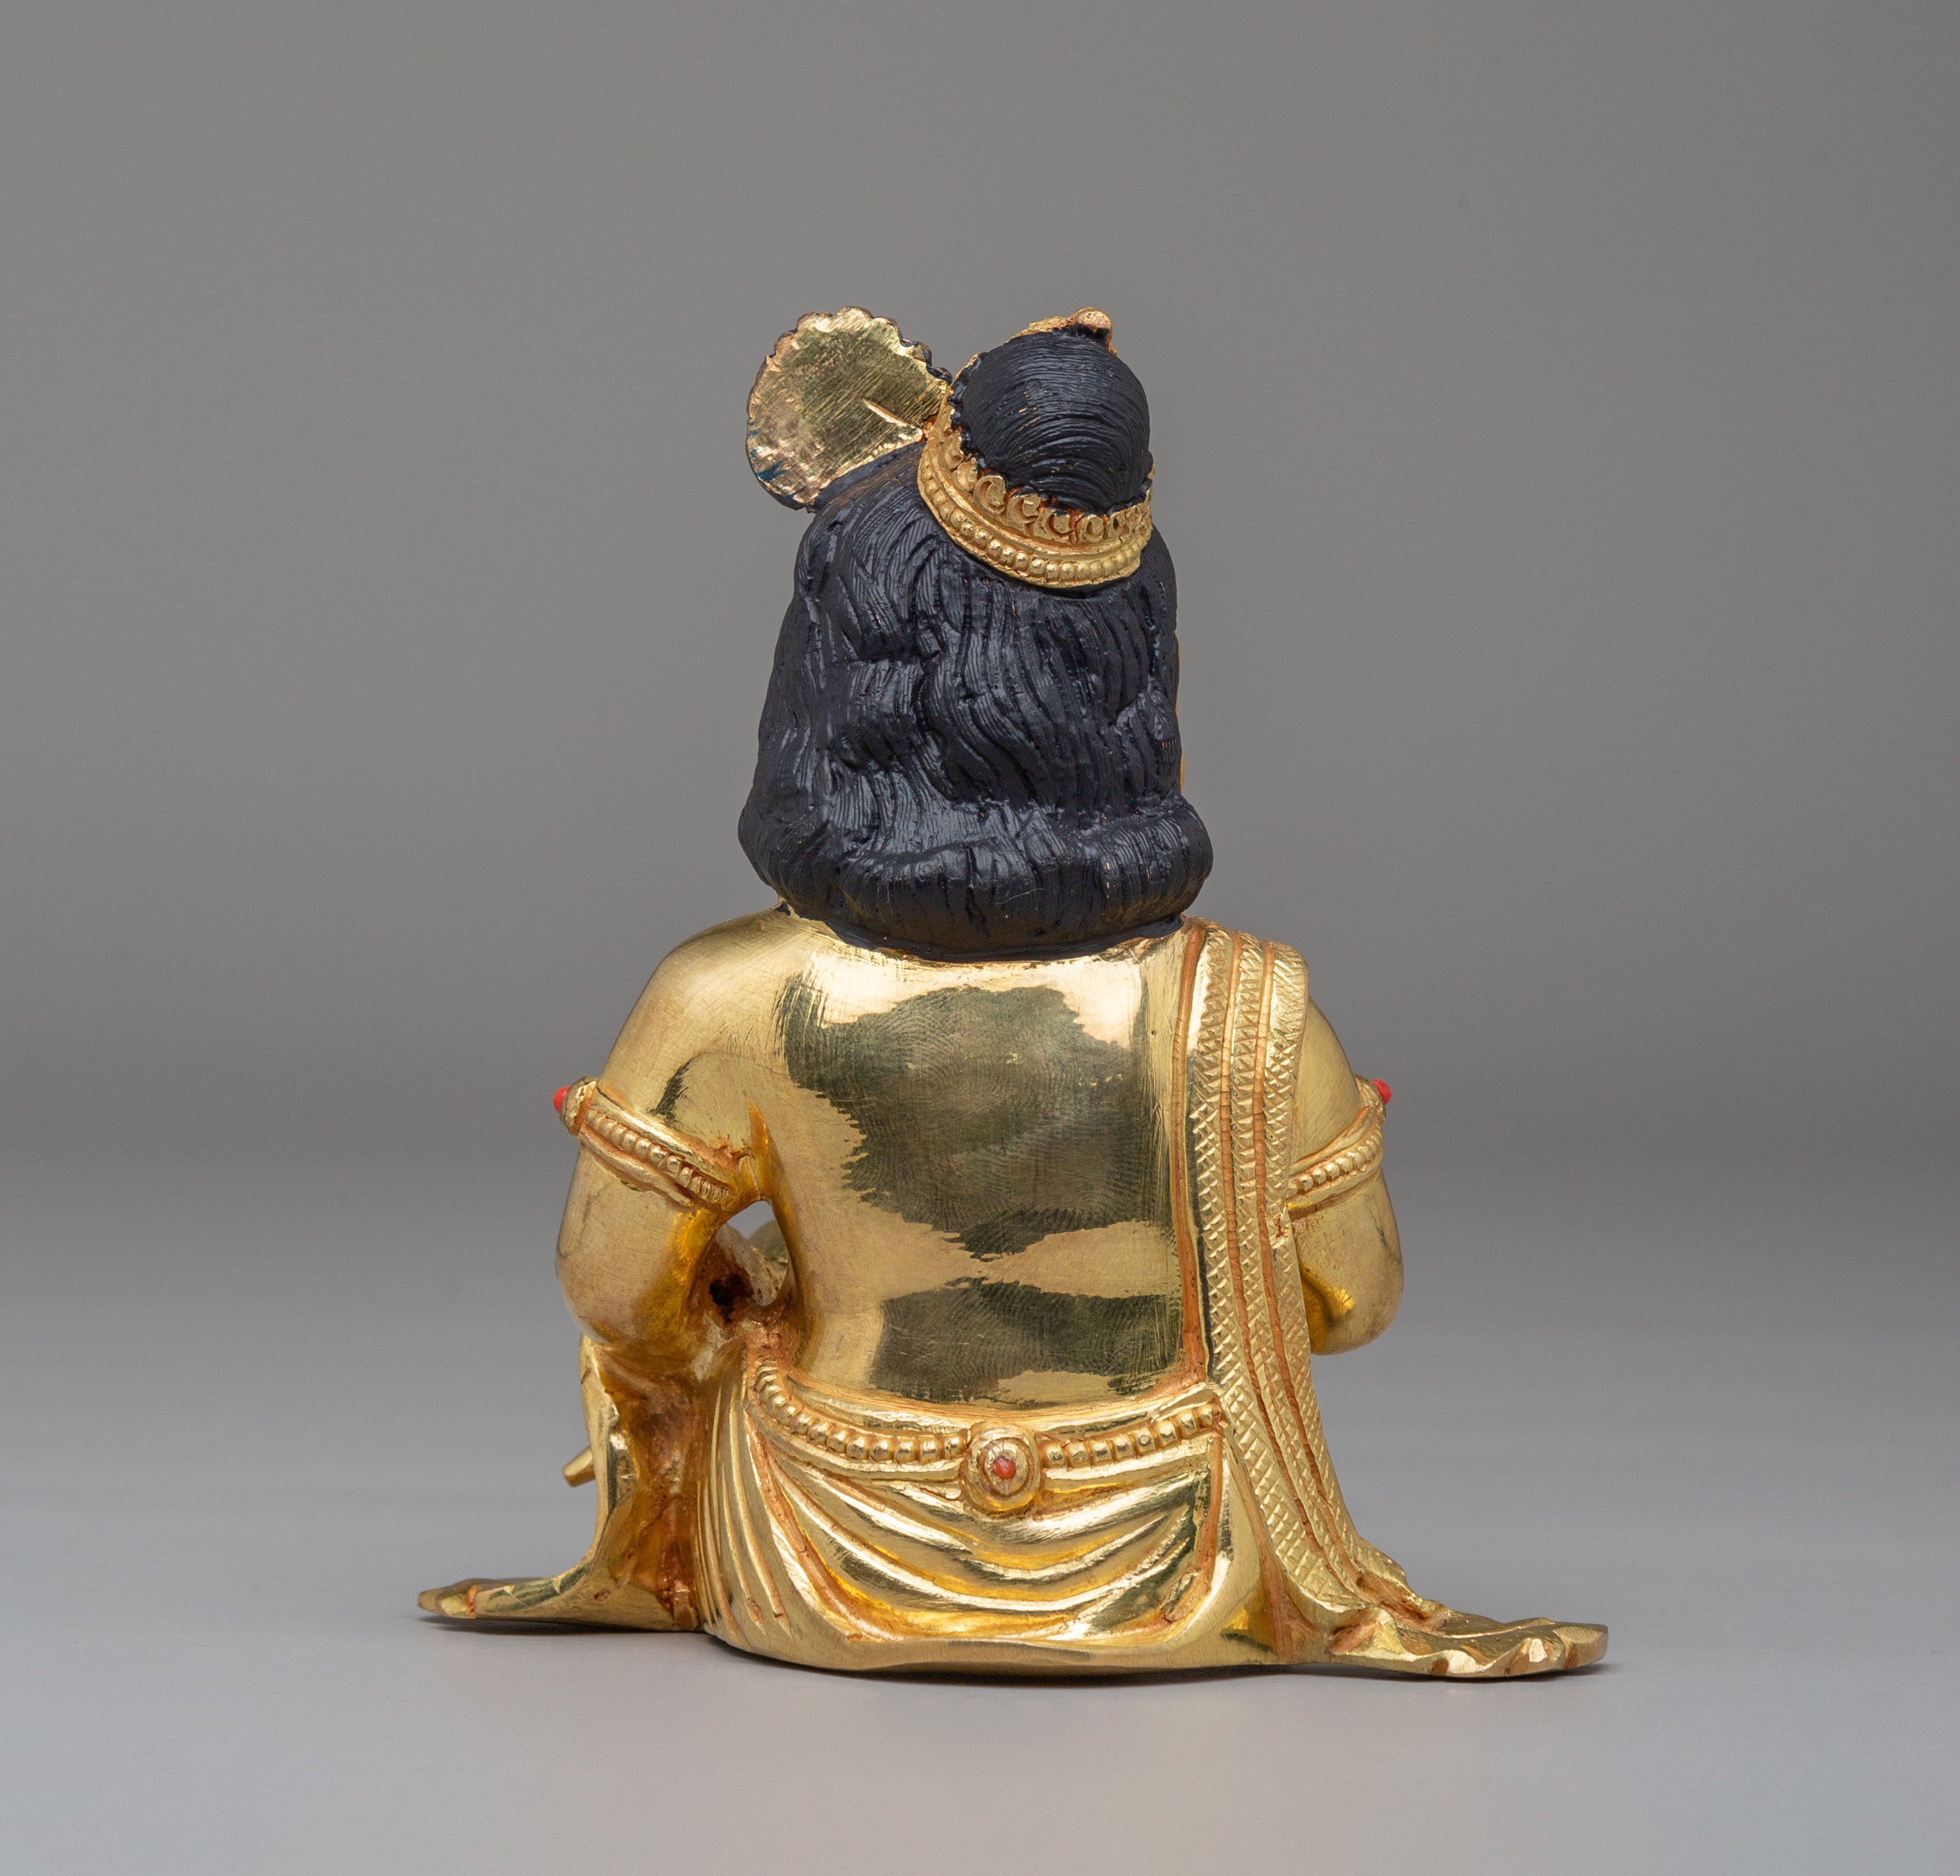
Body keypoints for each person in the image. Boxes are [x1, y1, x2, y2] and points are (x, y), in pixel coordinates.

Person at [420, 308, 1603, 1677]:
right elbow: (1351, 1304)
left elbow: (620, 1291)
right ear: (1133, 672)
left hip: (816, 1561)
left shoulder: (725, 997)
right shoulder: (1252, 1015)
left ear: (833, 667)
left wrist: (755, 1295)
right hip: (1185, 1565)